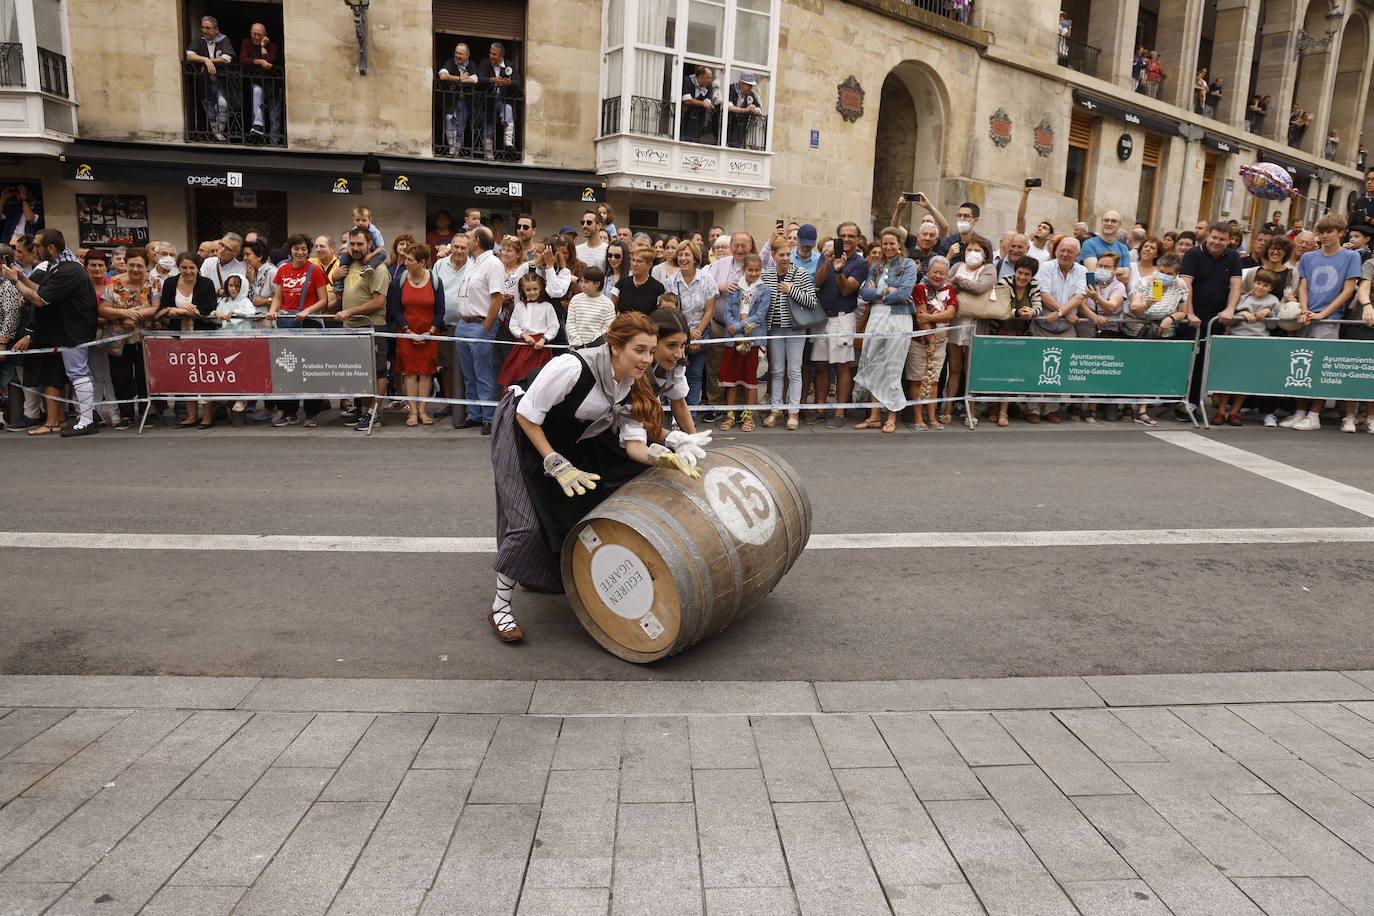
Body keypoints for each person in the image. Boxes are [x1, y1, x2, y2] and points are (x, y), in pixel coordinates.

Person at [487, 311, 700, 640]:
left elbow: (633, 446)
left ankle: (538, 575)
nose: (646, 359)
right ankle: (500, 607)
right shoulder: (573, 367)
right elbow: (528, 415)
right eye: (638, 350)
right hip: (520, 428)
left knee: (576, 509)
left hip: (566, 435)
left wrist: (663, 456)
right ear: (616, 347)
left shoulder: (630, 384)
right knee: (527, 520)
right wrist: (554, 462)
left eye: (650, 350)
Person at [2, 230, 99, 436]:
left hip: (75, 330)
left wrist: (13, 282)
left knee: (78, 373)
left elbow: (40, 300)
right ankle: (86, 418)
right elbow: (43, 290)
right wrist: (21, 277)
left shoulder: (69, 269)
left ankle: (88, 420)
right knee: (77, 373)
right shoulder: (59, 266)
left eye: (37, 245)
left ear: (51, 248)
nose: (34, 249)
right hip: (67, 330)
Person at [1285, 213, 1361, 430]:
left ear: (1341, 233)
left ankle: (1314, 414)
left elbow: (1347, 291)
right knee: (1300, 366)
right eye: (1322, 231)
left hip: (1330, 320)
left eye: (1330, 231)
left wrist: (1323, 314)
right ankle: (1300, 412)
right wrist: (1306, 309)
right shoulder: (1309, 258)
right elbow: (1303, 286)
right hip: (1307, 317)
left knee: (1319, 368)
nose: (1325, 235)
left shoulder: (1350, 257)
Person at [853, 228, 916, 433]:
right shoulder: (877, 267)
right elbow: (865, 293)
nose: (888, 247)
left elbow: (905, 292)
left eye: (892, 243)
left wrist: (880, 295)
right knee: (872, 364)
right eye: (885, 244)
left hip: (898, 319)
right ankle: (874, 416)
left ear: (899, 245)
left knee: (892, 366)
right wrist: (886, 292)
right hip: (876, 318)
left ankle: (891, 415)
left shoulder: (908, 265)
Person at [331, 227, 391, 432]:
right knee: (361, 373)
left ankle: (374, 413)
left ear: (370, 245)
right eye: (352, 244)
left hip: (372, 326)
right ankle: (364, 410)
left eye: (360, 244)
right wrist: (334, 278)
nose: (355, 248)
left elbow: (378, 302)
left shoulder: (379, 269)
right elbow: (340, 292)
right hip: (351, 329)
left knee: (378, 372)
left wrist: (349, 312)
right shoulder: (347, 265)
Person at [1181, 222, 1243, 414]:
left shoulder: (1233, 256)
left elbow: (1236, 285)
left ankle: (1193, 403)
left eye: (1222, 239)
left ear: (1229, 240)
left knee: (1204, 363)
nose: (1217, 242)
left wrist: (1230, 309)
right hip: (1192, 317)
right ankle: (1177, 399)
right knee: (1186, 359)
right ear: (1208, 235)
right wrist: (1189, 312)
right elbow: (1186, 284)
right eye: (1214, 237)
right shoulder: (1193, 253)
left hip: (1216, 318)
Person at [384, 242, 445, 427]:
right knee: (409, 373)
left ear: (422, 262)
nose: (405, 262)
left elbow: (440, 310)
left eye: (409, 260)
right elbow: (394, 309)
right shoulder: (399, 281)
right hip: (406, 333)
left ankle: (423, 410)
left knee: (426, 373)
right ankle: (412, 411)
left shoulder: (435, 281)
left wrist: (430, 332)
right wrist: (408, 331)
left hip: (429, 334)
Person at [1028, 237, 1086, 423]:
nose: (1065, 254)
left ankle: (1051, 409)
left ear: (1078, 254)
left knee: (1059, 369)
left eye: (1070, 251)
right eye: (1062, 250)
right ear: (1056, 250)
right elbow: (1043, 294)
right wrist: (1066, 313)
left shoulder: (1082, 271)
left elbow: (1079, 297)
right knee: (1037, 367)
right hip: (1042, 326)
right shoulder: (1045, 267)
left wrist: (1061, 313)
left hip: (1066, 328)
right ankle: (1034, 409)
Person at [760, 238, 816, 430]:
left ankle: (793, 412)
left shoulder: (800, 273)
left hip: (796, 329)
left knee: (794, 370)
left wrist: (792, 289)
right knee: (775, 370)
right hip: (774, 328)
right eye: (780, 254)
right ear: (773, 256)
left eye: (787, 254)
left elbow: (811, 301)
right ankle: (775, 409)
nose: (784, 258)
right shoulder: (766, 275)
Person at [100, 247, 158, 427]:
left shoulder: (152, 282)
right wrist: (124, 314)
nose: (135, 269)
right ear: (125, 264)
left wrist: (135, 316)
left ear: (146, 266)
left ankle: (147, 412)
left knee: (144, 377)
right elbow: (103, 309)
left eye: (139, 266)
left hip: (144, 338)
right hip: (119, 339)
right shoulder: (114, 282)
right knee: (121, 377)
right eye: (131, 265)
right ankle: (126, 415)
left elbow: (155, 307)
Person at [1212, 270, 1279, 426]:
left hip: (1257, 343)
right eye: (1258, 283)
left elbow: (1274, 325)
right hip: (1236, 341)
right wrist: (1241, 314)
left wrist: (1267, 313)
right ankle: (1221, 411)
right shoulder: (1243, 299)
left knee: (1244, 379)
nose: (1260, 287)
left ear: (1271, 288)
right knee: (1228, 378)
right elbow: (1227, 322)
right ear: (1253, 282)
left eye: (1265, 285)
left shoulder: (1273, 301)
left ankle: (1234, 412)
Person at [986, 256, 1044, 426]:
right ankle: (993, 407)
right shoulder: (1004, 282)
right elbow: (1000, 308)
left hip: (1019, 335)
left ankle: (1004, 411)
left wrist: (1032, 312)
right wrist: (1019, 313)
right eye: (1020, 273)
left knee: (1011, 373)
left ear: (1032, 275)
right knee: (996, 372)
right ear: (1015, 271)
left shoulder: (1034, 285)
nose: (1023, 277)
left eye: (1027, 274)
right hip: (999, 333)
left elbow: (1038, 306)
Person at [717, 253, 769, 431]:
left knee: (750, 379)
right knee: (731, 379)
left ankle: (749, 416)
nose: (753, 273)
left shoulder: (764, 290)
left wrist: (738, 326)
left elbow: (760, 316)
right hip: (733, 340)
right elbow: (727, 313)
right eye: (750, 270)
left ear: (761, 270)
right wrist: (733, 329)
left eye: (757, 270)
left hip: (752, 340)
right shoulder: (735, 288)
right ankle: (730, 415)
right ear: (743, 269)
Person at [662, 240, 718, 407]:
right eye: (680, 255)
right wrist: (687, 334)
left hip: (700, 336)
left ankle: (691, 413)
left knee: (694, 375)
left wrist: (697, 334)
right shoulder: (670, 282)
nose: (683, 258)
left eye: (687, 255)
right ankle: (672, 413)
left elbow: (709, 311)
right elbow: (670, 311)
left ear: (695, 258)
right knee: (674, 376)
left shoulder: (707, 280)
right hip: (678, 335)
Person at [906, 256, 958, 431]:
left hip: (941, 342)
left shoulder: (949, 289)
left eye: (942, 273)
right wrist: (930, 341)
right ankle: (918, 417)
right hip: (921, 341)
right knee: (917, 380)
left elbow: (951, 312)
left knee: (934, 381)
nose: (938, 276)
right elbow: (921, 317)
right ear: (927, 272)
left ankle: (932, 417)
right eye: (934, 272)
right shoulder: (919, 288)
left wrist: (932, 317)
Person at [500, 273, 560, 389]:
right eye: (528, 289)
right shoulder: (519, 306)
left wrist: (544, 339)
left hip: (540, 348)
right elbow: (513, 325)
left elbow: (554, 326)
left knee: (539, 377)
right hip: (523, 345)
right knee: (517, 374)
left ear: (541, 288)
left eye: (535, 289)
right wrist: (523, 335)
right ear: (523, 289)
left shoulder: (547, 306)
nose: (532, 292)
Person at [649, 306, 697, 435]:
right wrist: (671, 438)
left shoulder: (674, 364)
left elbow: (680, 404)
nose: (679, 354)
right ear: (653, 339)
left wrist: (694, 442)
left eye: (682, 345)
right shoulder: (633, 364)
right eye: (671, 345)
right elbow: (637, 421)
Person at [185, 16, 234, 141]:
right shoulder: (199, 39)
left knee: (222, 104)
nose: (204, 31)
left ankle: (219, 132)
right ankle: (216, 133)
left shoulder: (223, 39)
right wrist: (205, 60)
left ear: (216, 30)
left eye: (208, 28)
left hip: (221, 80)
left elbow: (226, 58)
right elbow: (190, 56)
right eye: (203, 27)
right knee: (209, 106)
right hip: (205, 81)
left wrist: (210, 61)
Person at [476, 42, 520, 160]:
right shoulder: (484, 64)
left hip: (503, 100)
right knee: (489, 125)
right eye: (490, 53)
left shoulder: (510, 66)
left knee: (508, 110)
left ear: (501, 56)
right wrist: (491, 80)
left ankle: (508, 142)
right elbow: (479, 79)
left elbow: (518, 83)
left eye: (494, 54)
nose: (491, 56)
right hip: (488, 100)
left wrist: (510, 83)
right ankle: (488, 153)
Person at [240, 22, 282, 143]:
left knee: (274, 115)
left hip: (273, 84)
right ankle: (258, 126)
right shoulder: (246, 43)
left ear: (265, 36)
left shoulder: (272, 46)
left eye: (259, 35)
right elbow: (243, 59)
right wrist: (259, 62)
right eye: (254, 34)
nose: (256, 37)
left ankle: (274, 143)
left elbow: (270, 61)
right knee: (257, 91)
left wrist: (263, 46)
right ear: (250, 33)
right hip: (258, 81)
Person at [1346, 252, 1374, 433]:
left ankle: (1371, 417)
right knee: (1353, 370)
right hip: (1362, 322)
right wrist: (1367, 305)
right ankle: (1349, 417)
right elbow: (1364, 288)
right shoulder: (1371, 264)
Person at [333, 206, 387, 295]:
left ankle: (369, 267)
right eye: (357, 220)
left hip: (375, 251)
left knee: (383, 254)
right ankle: (339, 284)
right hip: (359, 256)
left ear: (370, 220)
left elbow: (381, 247)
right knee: (345, 255)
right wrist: (351, 253)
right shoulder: (354, 231)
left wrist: (370, 256)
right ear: (353, 220)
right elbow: (348, 246)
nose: (360, 223)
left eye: (364, 220)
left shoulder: (374, 232)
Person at [437, 43, 477, 156]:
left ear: (467, 55)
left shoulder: (472, 65)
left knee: (461, 124)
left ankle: (457, 150)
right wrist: (459, 78)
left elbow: (475, 79)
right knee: (449, 119)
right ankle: (451, 148)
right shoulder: (450, 62)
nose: (457, 55)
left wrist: (457, 82)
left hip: (465, 101)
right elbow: (442, 75)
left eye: (460, 53)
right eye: (456, 52)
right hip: (451, 99)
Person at [566, 266, 615, 349]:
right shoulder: (575, 299)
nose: (582, 285)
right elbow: (570, 324)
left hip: (597, 349)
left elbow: (607, 329)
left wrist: (593, 344)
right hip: (576, 347)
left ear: (597, 284)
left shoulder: (608, 304)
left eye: (586, 282)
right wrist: (578, 344)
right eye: (581, 281)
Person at [615, 247, 665, 316]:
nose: (634, 264)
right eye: (633, 260)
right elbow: (612, 308)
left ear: (649, 265)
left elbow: (661, 314)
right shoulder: (622, 283)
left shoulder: (657, 288)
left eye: (639, 261)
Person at [200, 232, 245, 297]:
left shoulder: (241, 269)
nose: (222, 250)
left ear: (236, 253)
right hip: (209, 304)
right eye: (222, 245)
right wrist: (218, 292)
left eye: (228, 249)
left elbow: (238, 293)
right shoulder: (208, 262)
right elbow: (201, 286)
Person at [680, 65, 717, 144]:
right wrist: (702, 103)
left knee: (695, 141)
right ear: (700, 76)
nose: (710, 80)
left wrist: (701, 103)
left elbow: (708, 100)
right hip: (684, 117)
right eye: (708, 77)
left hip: (698, 119)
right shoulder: (687, 81)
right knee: (683, 139)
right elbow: (686, 100)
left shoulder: (709, 85)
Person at [726, 71, 763, 149]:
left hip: (740, 127)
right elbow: (728, 106)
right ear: (742, 83)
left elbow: (759, 108)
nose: (751, 88)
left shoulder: (751, 94)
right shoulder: (730, 89)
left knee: (736, 147)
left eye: (751, 86)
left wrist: (755, 110)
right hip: (727, 123)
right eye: (749, 85)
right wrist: (745, 110)